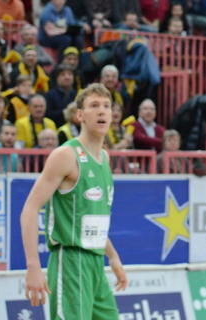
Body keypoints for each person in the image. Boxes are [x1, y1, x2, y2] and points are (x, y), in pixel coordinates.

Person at [21, 83, 127, 315]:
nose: (102, 111)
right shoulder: (66, 155)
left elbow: (92, 220)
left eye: (107, 106)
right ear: (80, 115)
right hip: (69, 261)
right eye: (94, 106)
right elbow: (30, 208)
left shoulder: (104, 159)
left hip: (95, 262)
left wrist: (113, 257)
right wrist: (33, 266)